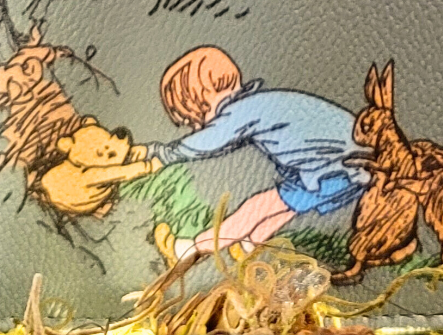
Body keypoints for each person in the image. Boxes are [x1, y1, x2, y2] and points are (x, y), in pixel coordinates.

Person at [146, 45, 370, 266]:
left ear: (204, 97)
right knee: (286, 206)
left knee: (257, 207)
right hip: (348, 165)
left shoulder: (242, 110)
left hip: (335, 169)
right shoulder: (255, 103)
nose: (196, 127)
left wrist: (164, 154)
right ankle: (249, 245)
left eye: (193, 118)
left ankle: (189, 250)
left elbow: (209, 142)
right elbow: (227, 143)